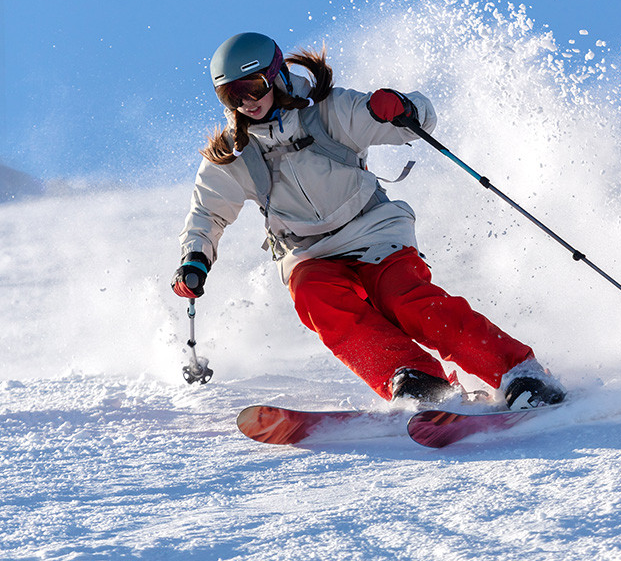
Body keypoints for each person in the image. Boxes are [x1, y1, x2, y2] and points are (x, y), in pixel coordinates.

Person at [172, 32, 565, 409]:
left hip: (373, 229)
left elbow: (419, 120)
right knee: (316, 298)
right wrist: (195, 257)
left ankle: (519, 373)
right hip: (307, 252)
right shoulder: (233, 153)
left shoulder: (328, 111)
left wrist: (400, 109)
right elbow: (207, 212)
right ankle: (415, 378)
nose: (246, 102)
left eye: (254, 87)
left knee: (406, 300)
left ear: (276, 76)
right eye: (231, 94)